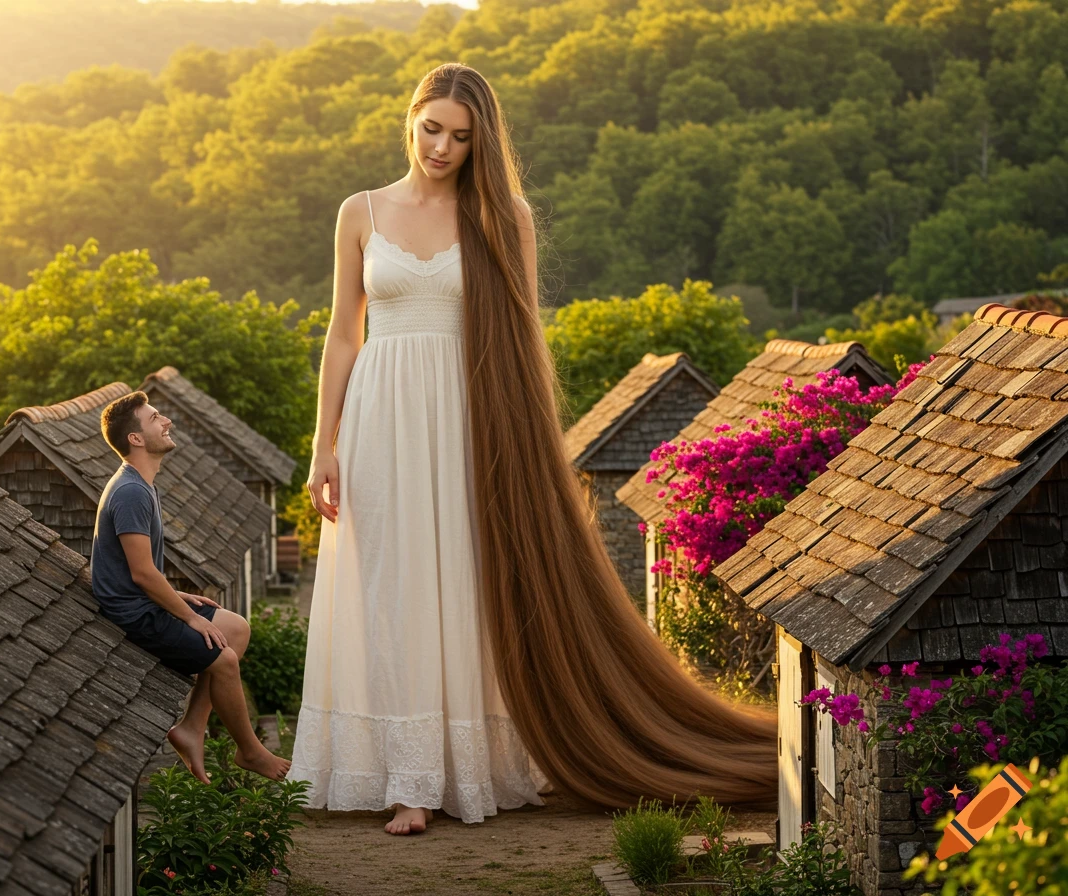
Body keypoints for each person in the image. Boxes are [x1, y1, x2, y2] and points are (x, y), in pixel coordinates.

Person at [289, 62, 777, 836]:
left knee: (460, 582)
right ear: (408, 119)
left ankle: (450, 775)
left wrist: (519, 446)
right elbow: (343, 335)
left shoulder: (501, 215)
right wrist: (325, 447)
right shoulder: (361, 211)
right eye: (431, 128)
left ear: (481, 142)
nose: (442, 147)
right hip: (378, 418)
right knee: (389, 584)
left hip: (469, 419)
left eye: (460, 136)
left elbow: (522, 339)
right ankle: (400, 775)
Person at [90, 390, 291, 785]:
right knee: (225, 658)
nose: (166, 422)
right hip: (134, 614)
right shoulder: (131, 491)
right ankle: (249, 750)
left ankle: (191, 727)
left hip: (142, 599)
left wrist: (178, 596)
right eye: (155, 418)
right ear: (135, 438)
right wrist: (190, 619)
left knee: (236, 629)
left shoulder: (141, 484)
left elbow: (134, 568)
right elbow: (144, 575)